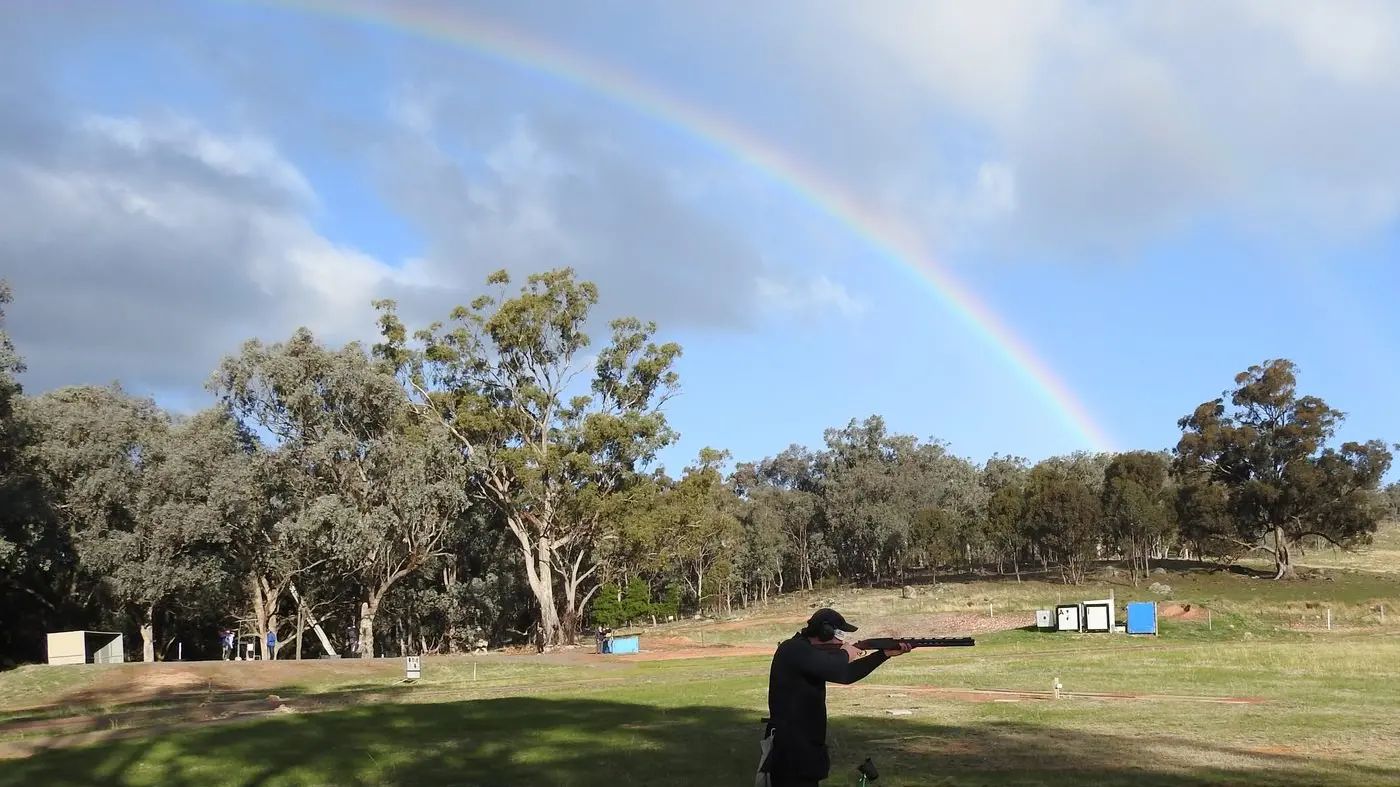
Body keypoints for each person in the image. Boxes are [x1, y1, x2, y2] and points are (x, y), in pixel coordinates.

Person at [760, 608, 911, 786]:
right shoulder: (793, 648)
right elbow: (835, 668)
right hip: (791, 750)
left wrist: (883, 654)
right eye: (839, 633)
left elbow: (845, 675)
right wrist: (848, 652)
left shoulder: (806, 652)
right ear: (825, 632)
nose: (842, 639)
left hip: (805, 749)